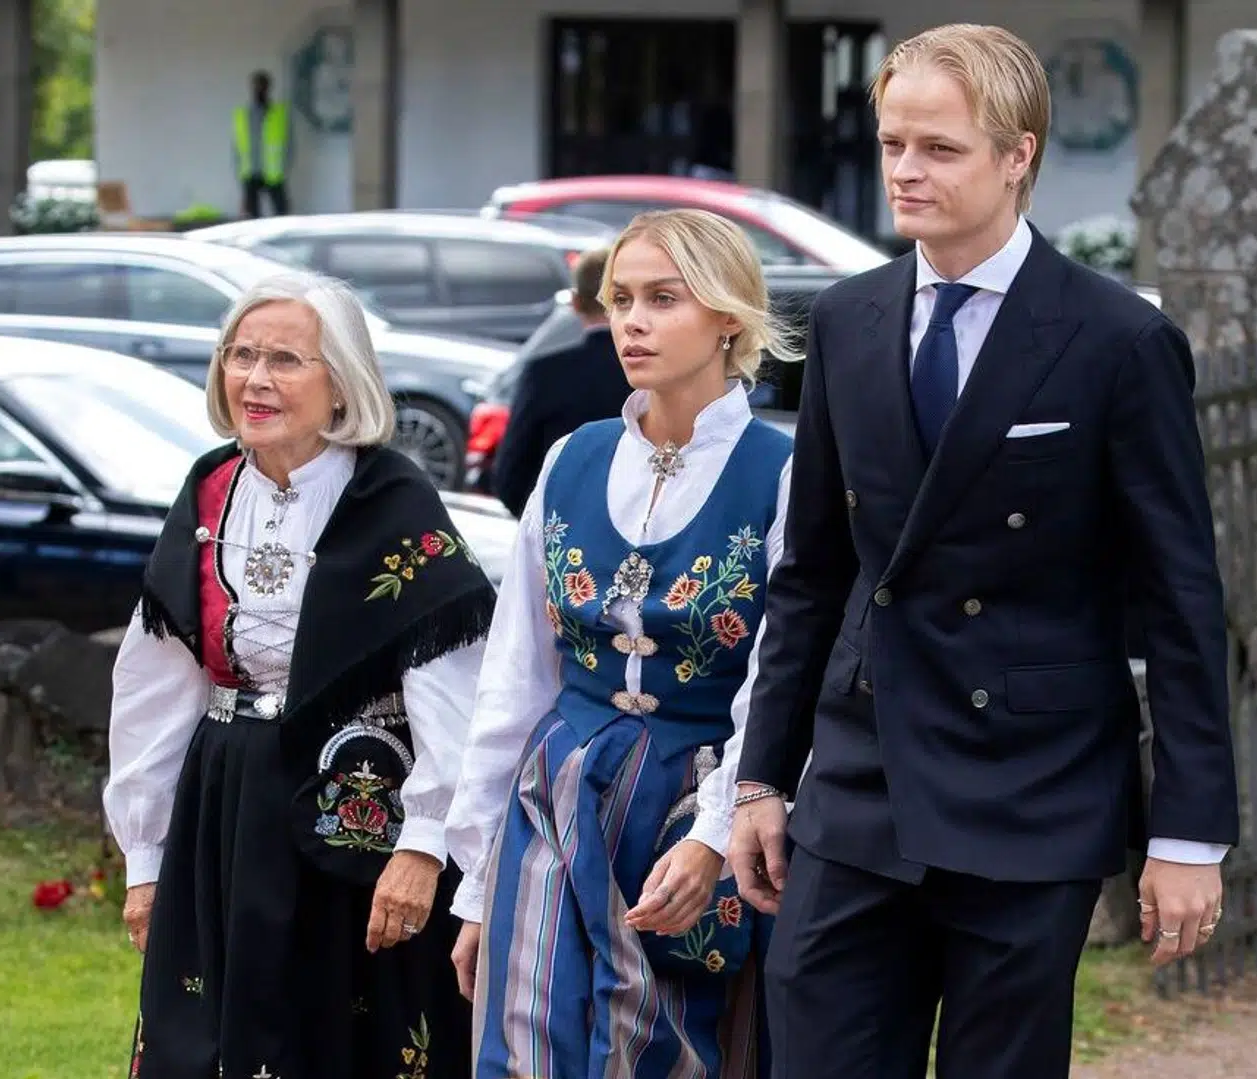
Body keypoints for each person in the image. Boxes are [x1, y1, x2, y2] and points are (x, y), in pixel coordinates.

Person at [728, 23, 1240, 1079]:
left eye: (941, 147)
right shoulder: (848, 319)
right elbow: (815, 571)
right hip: (860, 783)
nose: (907, 170)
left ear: (1020, 155)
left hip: (1034, 787)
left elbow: (1181, 594)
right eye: (891, 143)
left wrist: (1189, 834)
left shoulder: (1118, 339)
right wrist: (761, 777)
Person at [103, 270, 492, 1079]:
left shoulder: (393, 500)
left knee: (346, 1034)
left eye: (285, 358)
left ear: (341, 380)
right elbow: (157, 682)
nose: (254, 378)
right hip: (226, 798)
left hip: (355, 810)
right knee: (203, 1035)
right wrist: (145, 857)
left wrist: (423, 847)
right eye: (240, 355)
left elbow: (453, 696)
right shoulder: (212, 488)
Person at [443, 208, 798, 1078]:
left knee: (666, 1043)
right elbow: (516, 674)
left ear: (728, 318)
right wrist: (477, 882)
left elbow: (780, 672)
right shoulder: (573, 457)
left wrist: (717, 831)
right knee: (526, 1036)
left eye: (663, 299)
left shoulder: (780, 470)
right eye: (622, 299)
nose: (632, 322)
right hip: (558, 787)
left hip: (692, 796)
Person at [491, 246, 633, 517]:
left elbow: (510, 475)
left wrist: (545, 526)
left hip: (557, 526)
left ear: (575, 303)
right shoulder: (655, 377)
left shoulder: (544, 373)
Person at [232, 70, 293, 218]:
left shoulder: (279, 114)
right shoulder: (242, 115)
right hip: (250, 171)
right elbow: (236, 146)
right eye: (256, 86)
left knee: (282, 212)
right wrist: (238, 171)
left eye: (262, 86)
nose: (259, 90)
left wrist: (285, 166)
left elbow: (290, 144)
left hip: (274, 172)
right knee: (252, 216)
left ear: (268, 88)